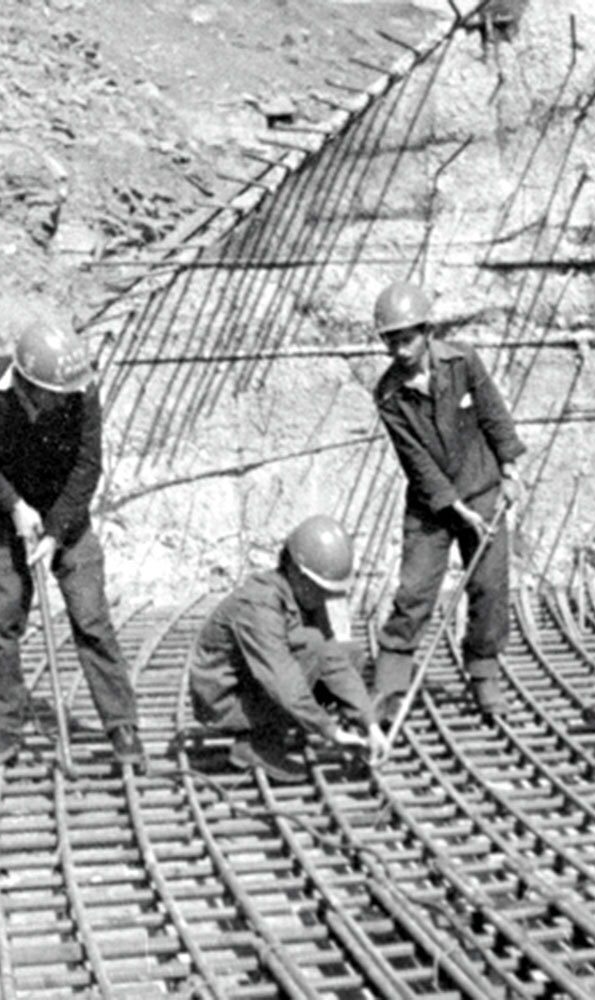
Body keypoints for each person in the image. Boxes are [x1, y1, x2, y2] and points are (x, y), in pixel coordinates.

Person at [0, 320, 143, 770]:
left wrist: (56, 532)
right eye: (54, 395)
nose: (65, 401)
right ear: (26, 384)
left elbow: (88, 465)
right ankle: (2, 726)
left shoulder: (81, 391)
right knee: (0, 623)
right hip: (9, 513)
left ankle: (122, 726)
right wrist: (14, 505)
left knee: (91, 619)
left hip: (67, 514)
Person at [369, 280, 527, 720]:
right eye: (391, 341)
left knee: (489, 589)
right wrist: (455, 507)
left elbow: (494, 414)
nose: (400, 350)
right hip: (432, 507)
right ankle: (389, 686)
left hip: (484, 491)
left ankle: (484, 674)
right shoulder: (389, 394)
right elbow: (416, 461)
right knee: (415, 593)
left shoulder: (463, 361)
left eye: (407, 339)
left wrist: (510, 471)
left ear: (427, 332)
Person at [188, 515, 385, 783]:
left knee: (350, 654)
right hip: (224, 700)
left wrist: (369, 722)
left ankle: (290, 727)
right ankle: (257, 745)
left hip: (253, 686)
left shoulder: (305, 594)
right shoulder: (259, 604)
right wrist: (329, 730)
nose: (326, 597)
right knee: (312, 648)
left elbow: (334, 659)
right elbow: (282, 681)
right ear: (297, 573)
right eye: (321, 589)